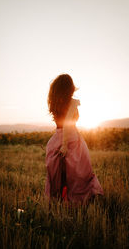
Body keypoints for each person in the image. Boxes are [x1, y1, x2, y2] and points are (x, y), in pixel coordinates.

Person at [45, 74, 104, 205]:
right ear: (69, 88)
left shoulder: (56, 103)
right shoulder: (72, 102)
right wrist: (65, 145)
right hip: (71, 139)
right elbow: (67, 123)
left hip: (56, 139)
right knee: (80, 175)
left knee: (59, 177)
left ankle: (60, 202)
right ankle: (78, 202)